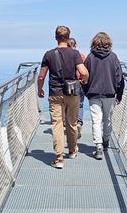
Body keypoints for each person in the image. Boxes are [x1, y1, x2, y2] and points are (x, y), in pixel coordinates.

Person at [38, 26, 89, 169]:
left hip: (55, 93)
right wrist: (84, 79)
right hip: (72, 93)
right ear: (68, 37)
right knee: (72, 122)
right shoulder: (75, 53)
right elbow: (83, 72)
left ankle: (59, 158)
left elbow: (41, 76)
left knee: (57, 125)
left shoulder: (48, 54)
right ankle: (72, 151)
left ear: (56, 37)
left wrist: (40, 89)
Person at [83, 32, 124, 160]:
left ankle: (98, 146)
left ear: (94, 42)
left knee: (96, 121)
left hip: (94, 93)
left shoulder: (90, 57)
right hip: (110, 93)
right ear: (108, 42)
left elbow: (84, 76)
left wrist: (86, 91)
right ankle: (106, 141)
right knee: (107, 119)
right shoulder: (113, 57)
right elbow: (119, 78)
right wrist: (119, 94)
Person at [67, 38, 86, 139]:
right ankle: (79, 122)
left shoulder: (65, 56)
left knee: (70, 105)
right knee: (80, 104)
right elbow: (85, 70)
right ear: (75, 45)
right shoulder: (81, 55)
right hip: (81, 82)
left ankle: (72, 124)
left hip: (70, 83)